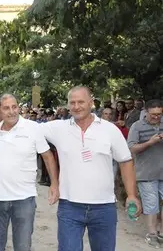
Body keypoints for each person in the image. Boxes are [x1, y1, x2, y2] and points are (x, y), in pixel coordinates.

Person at [41, 86, 141, 251]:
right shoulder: (58, 128)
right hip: (70, 207)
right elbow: (27, 127)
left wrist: (131, 195)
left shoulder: (109, 130)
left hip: (104, 206)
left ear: (91, 103)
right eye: (72, 102)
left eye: (81, 102)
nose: (76, 106)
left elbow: (125, 161)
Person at [0, 93, 59, 251]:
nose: (11, 111)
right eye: (6, 108)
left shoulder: (32, 128)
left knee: (23, 246)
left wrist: (55, 184)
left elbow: (48, 156)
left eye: (14, 107)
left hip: (24, 199)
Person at [127, 99, 163, 247]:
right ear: (146, 112)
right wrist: (150, 142)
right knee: (151, 205)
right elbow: (132, 148)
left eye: (159, 114)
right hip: (146, 173)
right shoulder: (137, 126)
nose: (157, 117)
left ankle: (161, 233)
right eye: (153, 114)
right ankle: (152, 234)